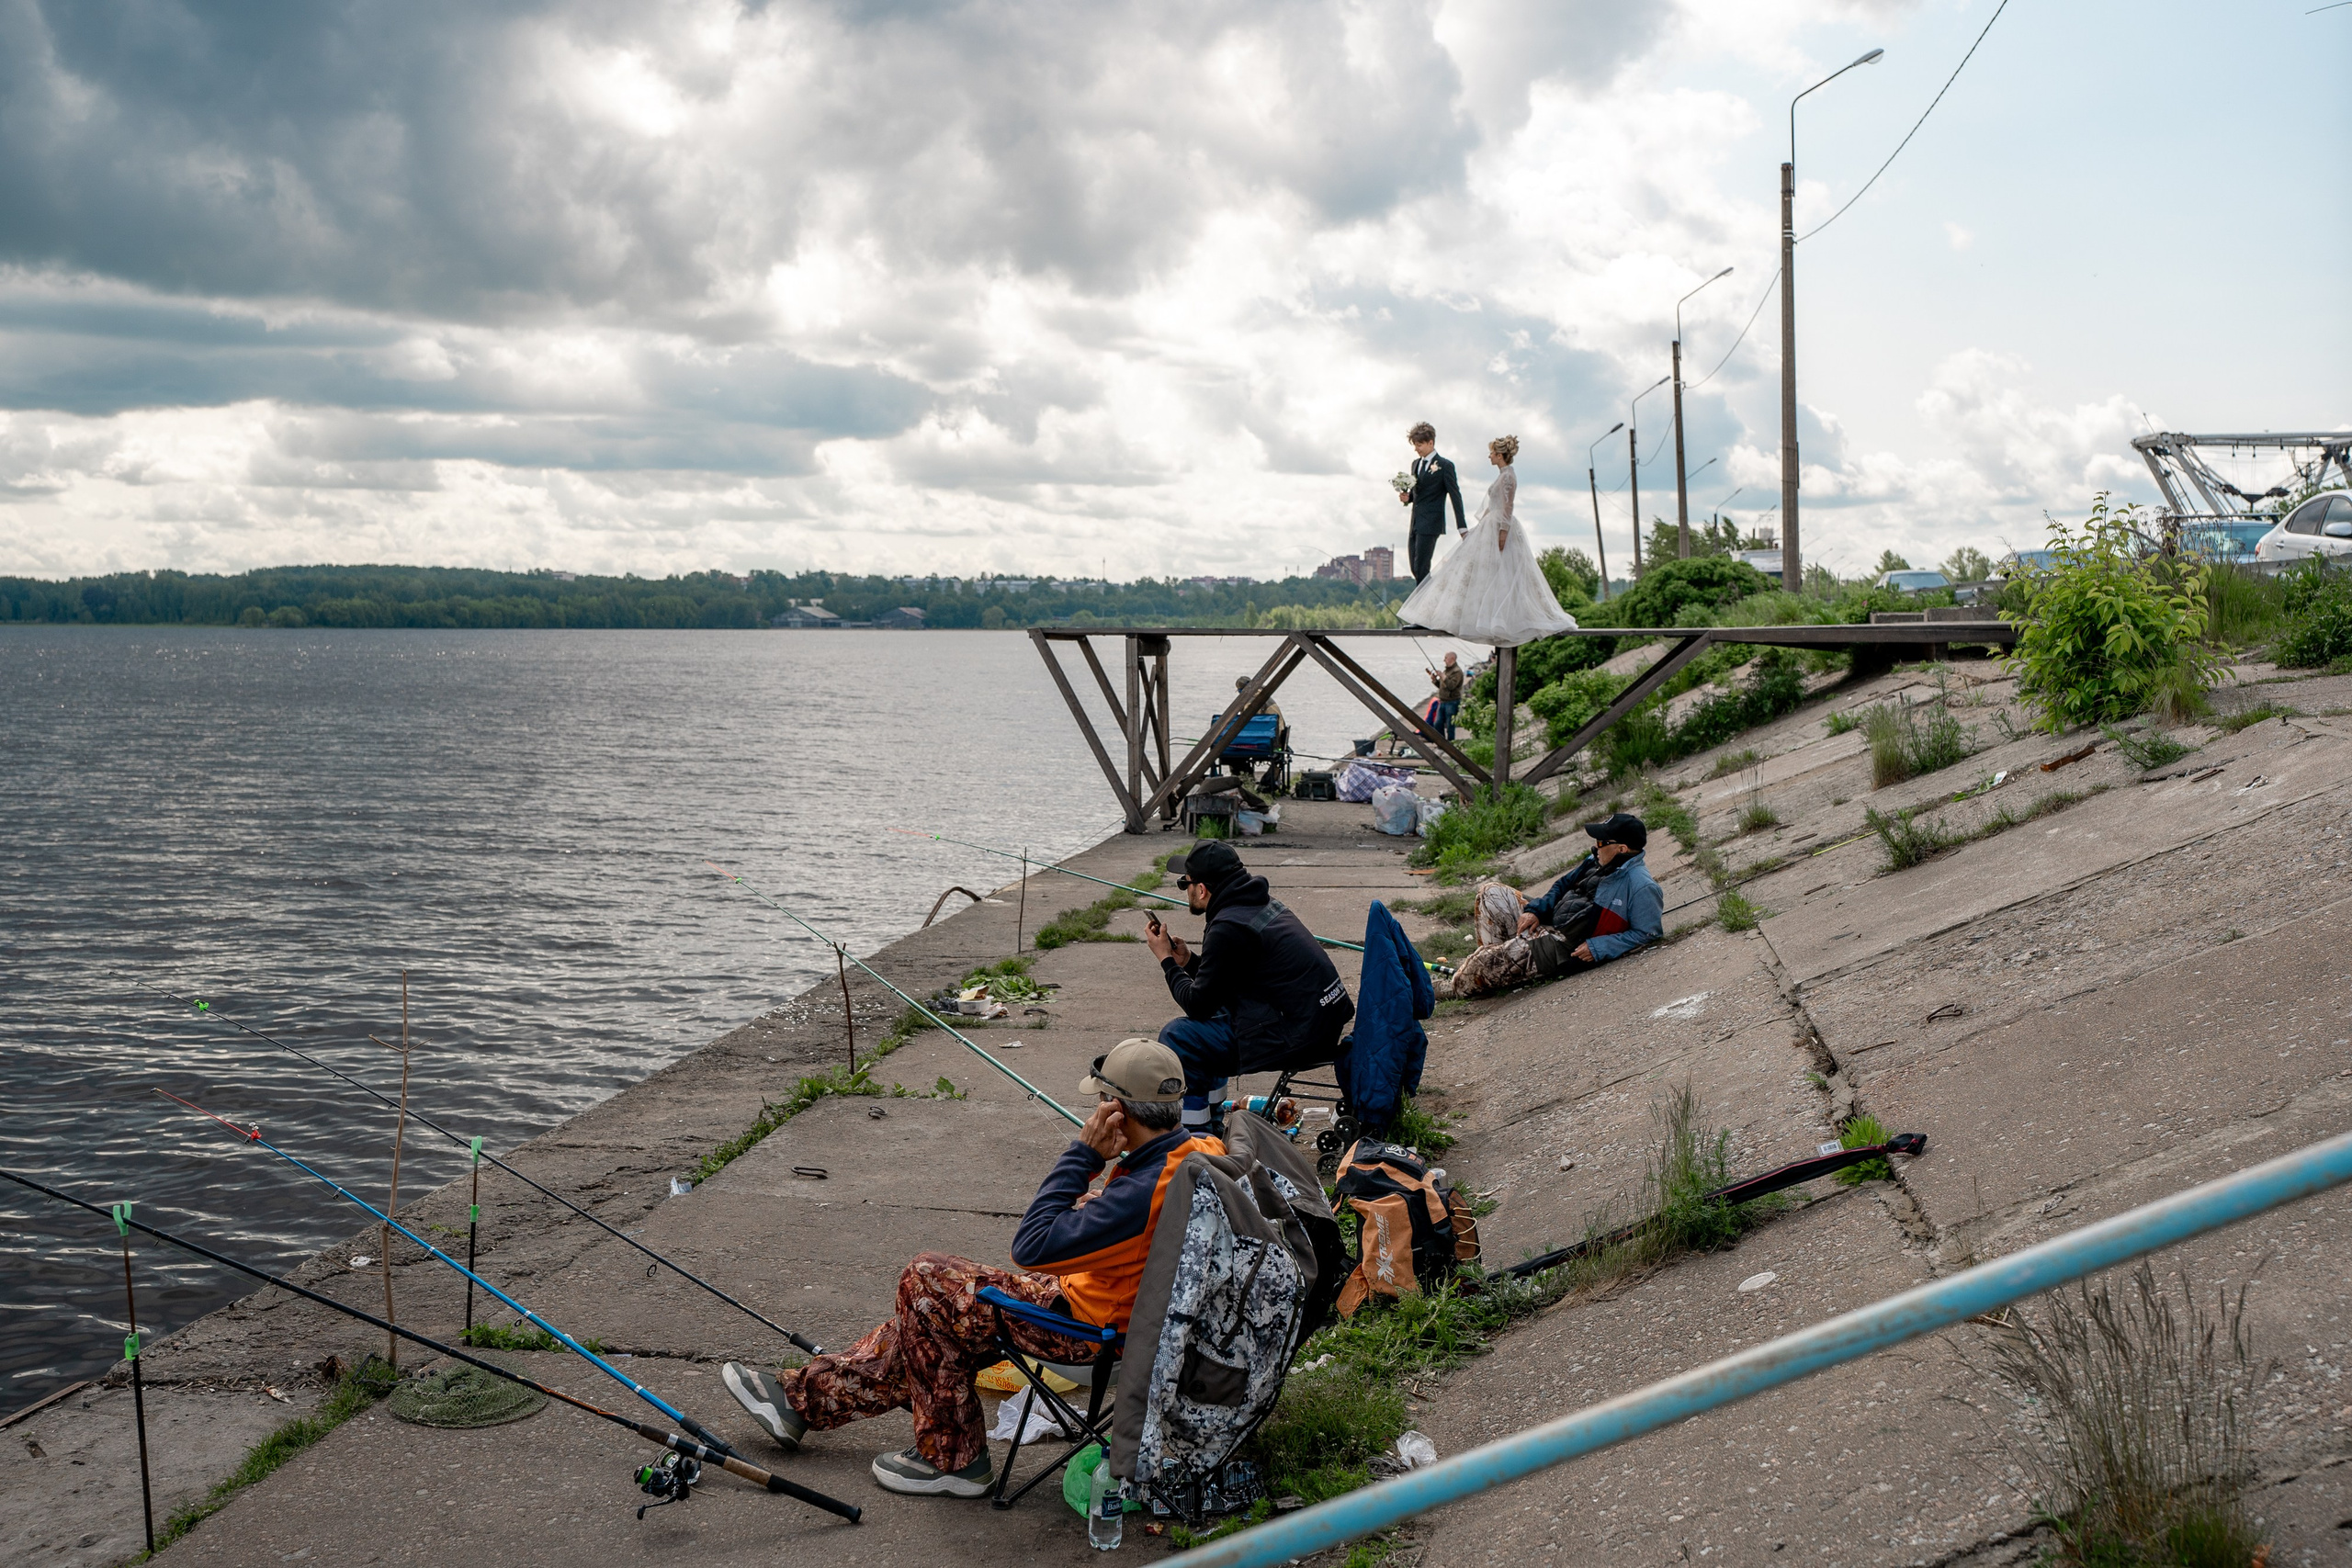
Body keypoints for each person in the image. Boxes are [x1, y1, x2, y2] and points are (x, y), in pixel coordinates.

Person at [718, 1039, 1219, 1498]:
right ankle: (797, 1402)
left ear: (1117, 1110)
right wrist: (1102, 1203)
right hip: (1126, 1311)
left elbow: (1030, 1244)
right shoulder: (1198, 1151)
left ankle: (954, 1460)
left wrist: (1084, 1156)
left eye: (1101, 1101)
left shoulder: (1140, 1193)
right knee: (932, 1319)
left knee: (925, 1278)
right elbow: (1133, 1228)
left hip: (1091, 1333)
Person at [1144, 839, 1354, 1134]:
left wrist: (1166, 959)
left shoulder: (1227, 926)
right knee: (1211, 1021)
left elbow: (1197, 1003)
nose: (1186, 889)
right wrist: (1188, 961)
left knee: (1180, 1036)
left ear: (1202, 890)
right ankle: (1213, 1120)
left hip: (1299, 1037)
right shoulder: (1260, 904)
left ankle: (1196, 1140)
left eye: (1185, 883)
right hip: (1318, 1023)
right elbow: (1224, 980)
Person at [1442, 812, 1663, 998]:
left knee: (1479, 964)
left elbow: (1648, 934)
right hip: (1548, 923)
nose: (1595, 847)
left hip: (1563, 946)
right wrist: (1536, 911)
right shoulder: (1596, 860)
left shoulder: (1641, 886)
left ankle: (1453, 985)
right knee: (1491, 893)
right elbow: (1562, 884)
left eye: (1601, 842)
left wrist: (1599, 947)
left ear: (1622, 849)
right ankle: (1492, 972)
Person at [1396, 435, 1580, 646]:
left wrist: (1502, 532)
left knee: (1500, 574)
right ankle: (1455, 614)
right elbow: (1494, 505)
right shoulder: (1503, 475)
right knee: (1477, 572)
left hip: (1500, 527)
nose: (1489, 456)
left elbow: (1508, 507)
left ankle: (1493, 619)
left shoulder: (1508, 476)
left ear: (1499, 455)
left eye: (1492, 453)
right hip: (1490, 525)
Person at [1398, 421, 1466, 583]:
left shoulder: (1445, 466)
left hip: (1431, 523)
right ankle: (1430, 597)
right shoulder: (1415, 464)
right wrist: (1408, 498)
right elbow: (1418, 493)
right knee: (1415, 568)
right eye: (1415, 445)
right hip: (1415, 522)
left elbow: (1455, 496)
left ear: (1431, 442)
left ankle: (1421, 606)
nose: (1416, 449)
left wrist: (1462, 526)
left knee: (1422, 567)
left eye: (1419, 444)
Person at [1428, 651, 1464, 740]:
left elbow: (1451, 686)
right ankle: (1442, 744)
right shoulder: (1447, 670)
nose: (1444, 660)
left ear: (1452, 659)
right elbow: (1442, 686)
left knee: (1450, 726)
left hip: (1452, 702)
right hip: (1443, 701)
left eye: (1446, 658)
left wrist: (1443, 676)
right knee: (1437, 724)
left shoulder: (1457, 672)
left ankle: (1451, 746)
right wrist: (1435, 680)